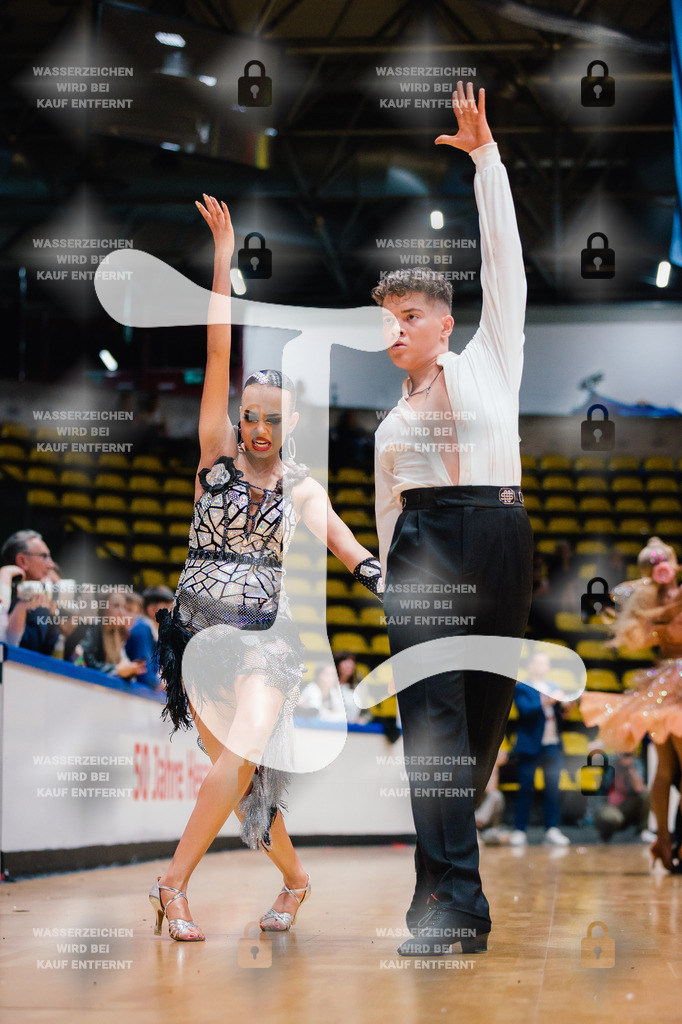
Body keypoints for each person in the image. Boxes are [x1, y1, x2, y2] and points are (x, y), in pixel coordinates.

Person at [150, 194, 383, 941]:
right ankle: (297, 882)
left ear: (289, 427)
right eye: (248, 413)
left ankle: (172, 884)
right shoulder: (212, 461)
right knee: (243, 785)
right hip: (194, 640)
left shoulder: (302, 485)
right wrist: (221, 259)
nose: (255, 425)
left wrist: (381, 576)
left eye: (270, 419)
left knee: (245, 755)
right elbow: (219, 351)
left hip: (260, 641)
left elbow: (351, 549)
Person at [373, 81, 534, 956]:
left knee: (473, 738)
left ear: (442, 322)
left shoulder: (491, 363)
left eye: (405, 316)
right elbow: (384, 515)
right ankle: (454, 910)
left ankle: (437, 881)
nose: (392, 330)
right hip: (422, 551)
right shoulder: (389, 427)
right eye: (383, 321)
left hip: (502, 537)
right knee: (430, 733)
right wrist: (380, 575)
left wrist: (484, 159)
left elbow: (503, 261)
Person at [580, 536, 682, 872]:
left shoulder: (648, 600)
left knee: (666, 769)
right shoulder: (654, 600)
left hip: (665, 685)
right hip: (673, 687)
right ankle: (665, 839)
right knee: (667, 768)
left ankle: (664, 840)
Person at [509, 652, 571, 847]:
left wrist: (566, 707)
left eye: (545, 663)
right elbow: (525, 711)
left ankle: (552, 829)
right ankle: (519, 830)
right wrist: (549, 701)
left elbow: (559, 715)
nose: (542, 666)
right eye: (539, 663)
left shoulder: (554, 686)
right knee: (525, 788)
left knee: (553, 789)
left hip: (552, 745)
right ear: (532, 665)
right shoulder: (523, 687)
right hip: (530, 746)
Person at [1, 530, 59, 654]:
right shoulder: (5, 596)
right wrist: (42, 605)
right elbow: (27, 648)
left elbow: (47, 650)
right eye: (44, 557)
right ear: (22, 561)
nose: (51, 565)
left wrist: (51, 611)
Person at [72, 591, 145, 680]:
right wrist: (117, 670)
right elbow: (85, 662)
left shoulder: (116, 635)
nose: (122, 612)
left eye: (123, 607)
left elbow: (121, 667)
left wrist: (130, 671)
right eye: (116, 606)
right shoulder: (94, 628)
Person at [593, 751, 654, 844]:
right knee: (613, 818)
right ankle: (604, 837)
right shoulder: (610, 764)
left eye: (628, 754)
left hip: (626, 807)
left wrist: (630, 770)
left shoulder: (635, 764)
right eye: (622, 753)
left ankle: (643, 831)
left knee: (645, 794)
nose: (624, 757)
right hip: (609, 807)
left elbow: (639, 789)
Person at [125, 585, 174, 689]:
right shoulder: (142, 628)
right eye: (169, 607)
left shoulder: (155, 635)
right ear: (152, 610)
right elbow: (146, 677)